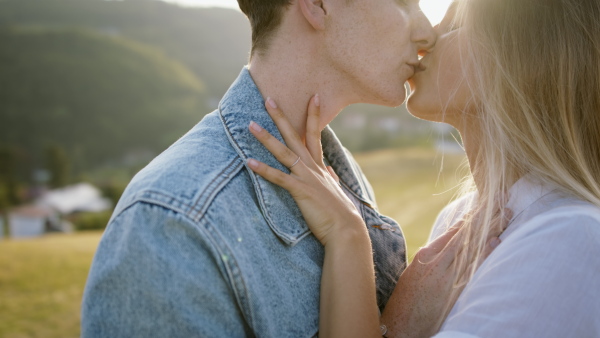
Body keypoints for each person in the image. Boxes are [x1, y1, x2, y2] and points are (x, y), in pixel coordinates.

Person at [81, 0, 442, 336]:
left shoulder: (335, 176)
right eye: (403, 1)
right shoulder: (170, 225)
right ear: (317, 4)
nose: (427, 33)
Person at [247, 0, 600, 336]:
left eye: (455, 26)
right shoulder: (459, 219)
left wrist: (350, 238)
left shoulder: (572, 237)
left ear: (522, 59)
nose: (429, 37)